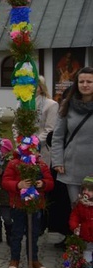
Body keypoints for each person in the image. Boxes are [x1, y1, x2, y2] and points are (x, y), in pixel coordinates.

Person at [2, 147, 54, 268]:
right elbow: (5, 181)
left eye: (34, 150)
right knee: (17, 233)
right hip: (18, 204)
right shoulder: (14, 163)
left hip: (35, 205)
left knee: (34, 233)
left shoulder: (41, 165)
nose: (31, 153)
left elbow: (50, 182)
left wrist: (43, 183)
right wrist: (18, 185)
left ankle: (33, 259)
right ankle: (15, 259)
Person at [51, 67, 93, 212]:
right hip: (72, 166)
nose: (85, 85)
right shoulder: (67, 105)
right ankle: (78, 235)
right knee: (77, 209)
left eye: (89, 81)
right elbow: (58, 136)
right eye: (82, 81)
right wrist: (57, 161)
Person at [69, 176, 93, 268]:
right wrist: (75, 227)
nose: (86, 192)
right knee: (87, 250)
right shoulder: (80, 204)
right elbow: (74, 217)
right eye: (84, 189)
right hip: (85, 234)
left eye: (90, 190)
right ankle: (87, 267)